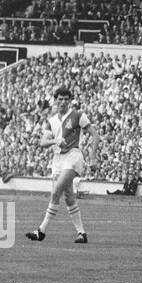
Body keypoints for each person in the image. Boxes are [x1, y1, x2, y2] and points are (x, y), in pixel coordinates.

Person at [25, 86, 94, 243]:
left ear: (70, 101)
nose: (63, 102)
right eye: (60, 99)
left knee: (56, 191)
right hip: (58, 159)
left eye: (65, 99)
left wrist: (93, 158)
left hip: (73, 156)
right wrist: (55, 140)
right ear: (55, 101)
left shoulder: (78, 116)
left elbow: (95, 136)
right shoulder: (51, 121)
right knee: (69, 196)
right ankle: (81, 233)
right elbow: (42, 142)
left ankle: (41, 230)